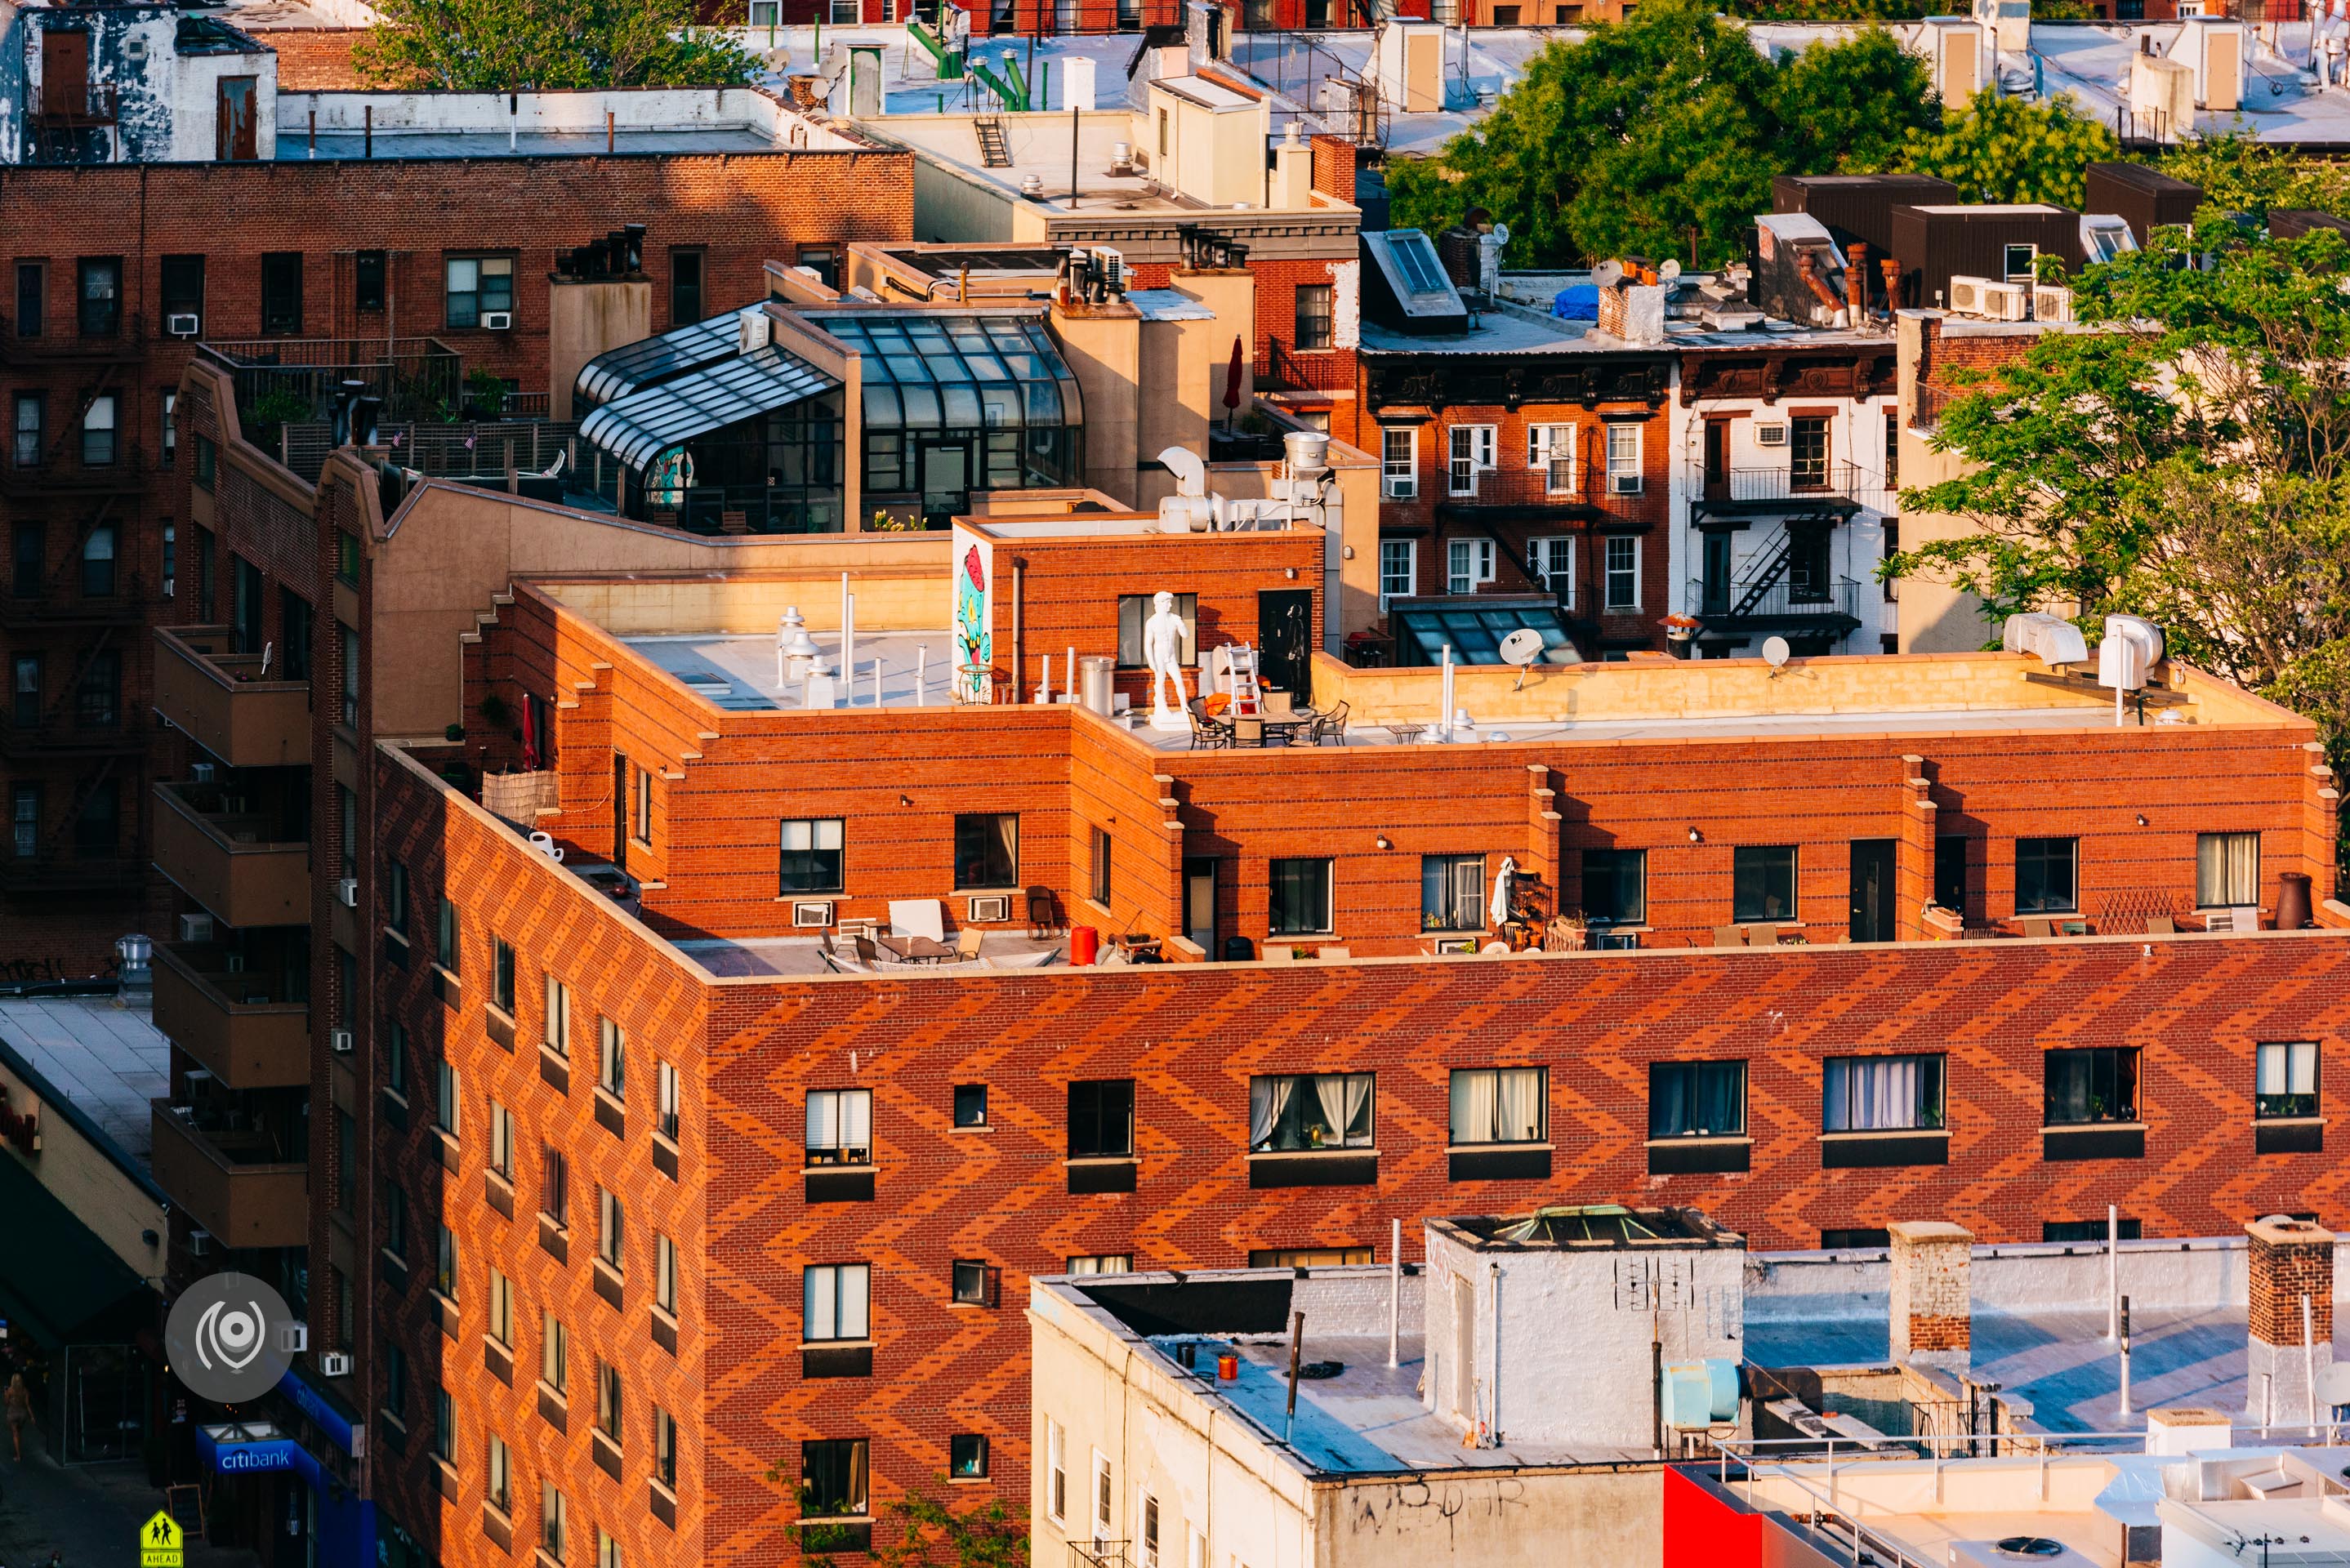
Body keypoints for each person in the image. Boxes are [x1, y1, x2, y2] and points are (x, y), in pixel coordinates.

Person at [3, 1373, 29, 1461]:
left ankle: (18, 1456)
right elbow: (27, 1404)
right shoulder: (25, 1391)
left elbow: (6, 1403)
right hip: (22, 1414)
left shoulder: (10, 1390)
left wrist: (5, 1393)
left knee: (15, 1434)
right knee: (19, 1431)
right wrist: (32, 1416)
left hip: (13, 1414)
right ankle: (19, 1448)